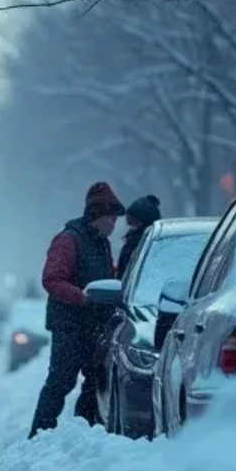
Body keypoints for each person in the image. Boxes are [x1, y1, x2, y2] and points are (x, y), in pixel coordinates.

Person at [27, 182, 124, 439]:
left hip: (92, 325)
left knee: (93, 382)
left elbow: (108, 274)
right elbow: (52, 279)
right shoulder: (68, 240)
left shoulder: (101, 243)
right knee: (61, 381)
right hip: (68, 324)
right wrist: (82, 297)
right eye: (111, 217)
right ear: (97, 214)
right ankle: (38, 436)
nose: (115, 223)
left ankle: (81, 434)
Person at [116, 194, 162, 280]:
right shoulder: (132, 243)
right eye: (128, 221)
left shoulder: (142, 245)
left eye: (132, 221)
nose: (130, 226)